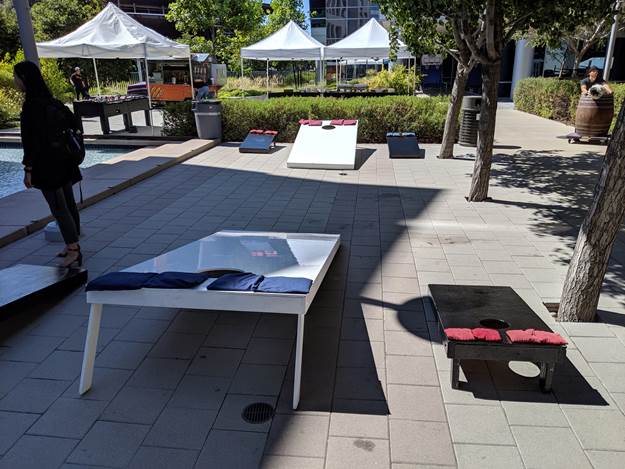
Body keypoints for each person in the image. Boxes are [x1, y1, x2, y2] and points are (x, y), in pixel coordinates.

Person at [15, 61, 83, 268]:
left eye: (16, 76)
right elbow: (74, 124)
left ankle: (73, 249)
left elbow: (30, 142)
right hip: (64, 160)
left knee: (58, 208)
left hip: (47, 165)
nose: (14, 80)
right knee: (68, 204)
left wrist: (28, 169)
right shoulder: (52, 102)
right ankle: (72, 243)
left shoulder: (31, 107)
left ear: (25, 79)